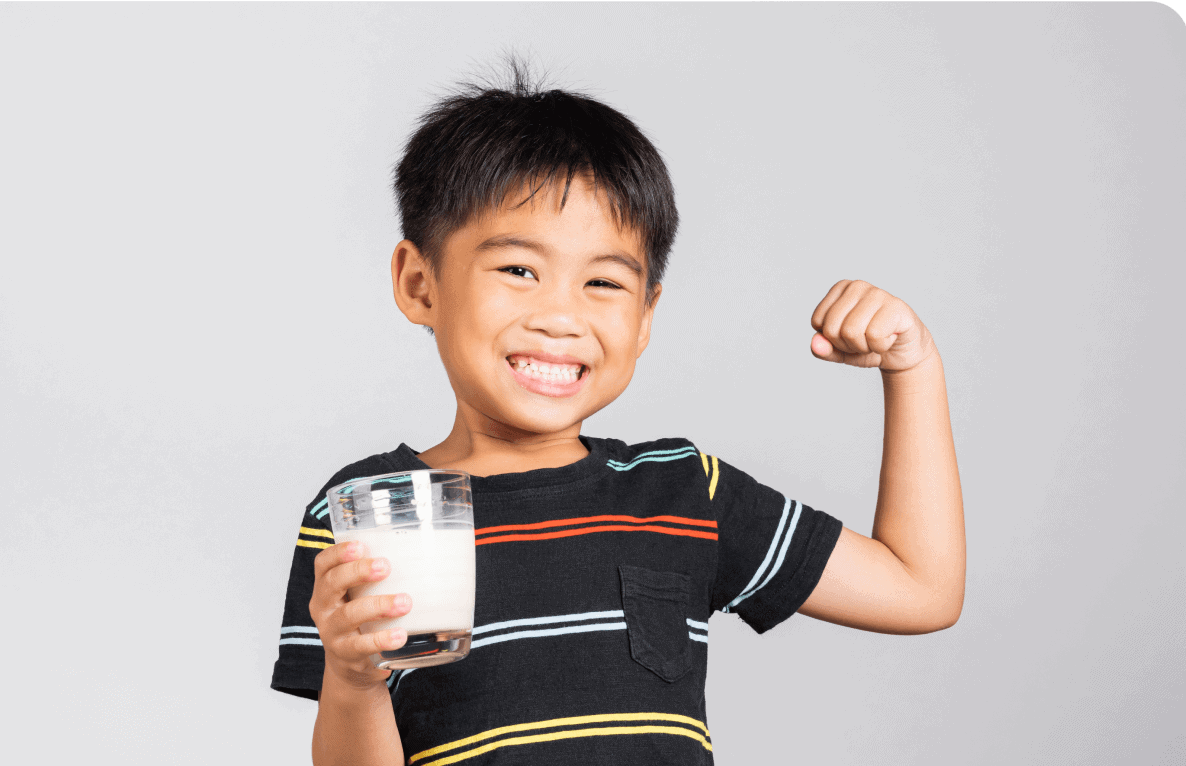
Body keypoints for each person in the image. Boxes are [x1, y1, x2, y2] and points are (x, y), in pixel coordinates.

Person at [270, 63, 965, 766]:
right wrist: (353, 681)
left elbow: (920, 589)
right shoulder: (374, 511)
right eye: (518, 270)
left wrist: (913, 368)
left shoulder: (684, 492)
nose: (560, 317)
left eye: (602, 282)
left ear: (645, 317)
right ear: (420, 284)